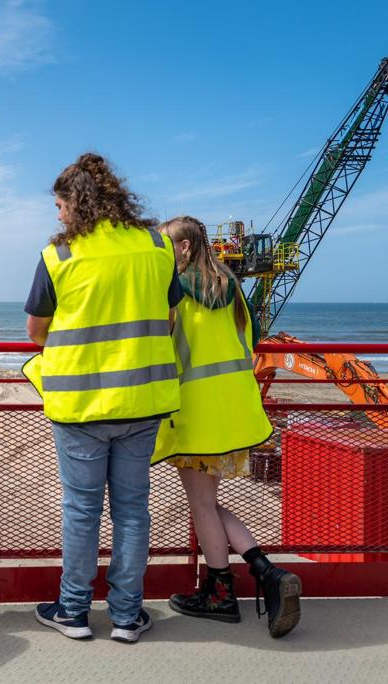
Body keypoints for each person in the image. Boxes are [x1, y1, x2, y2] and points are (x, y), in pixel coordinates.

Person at [24, 153, 182, 643]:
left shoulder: (60, 256)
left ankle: (72, 612)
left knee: (81, 510)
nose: (57, 215)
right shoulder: (158, 246)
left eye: (59, 204)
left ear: (77, 202)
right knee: (133, 510)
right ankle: (127, 616)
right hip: (142, 402)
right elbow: (170, 318)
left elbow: (36, 333)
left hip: (81, 407)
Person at [154, 216, 300, 638]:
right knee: (208, 503)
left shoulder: (176, 291)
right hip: (236, 411)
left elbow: (163, 345)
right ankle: (257, 574)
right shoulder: (233, 286)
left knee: (202, 506)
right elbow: (250, 341)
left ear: (183, 249)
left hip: (196, 415)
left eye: (167, 245)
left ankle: (229, 589)